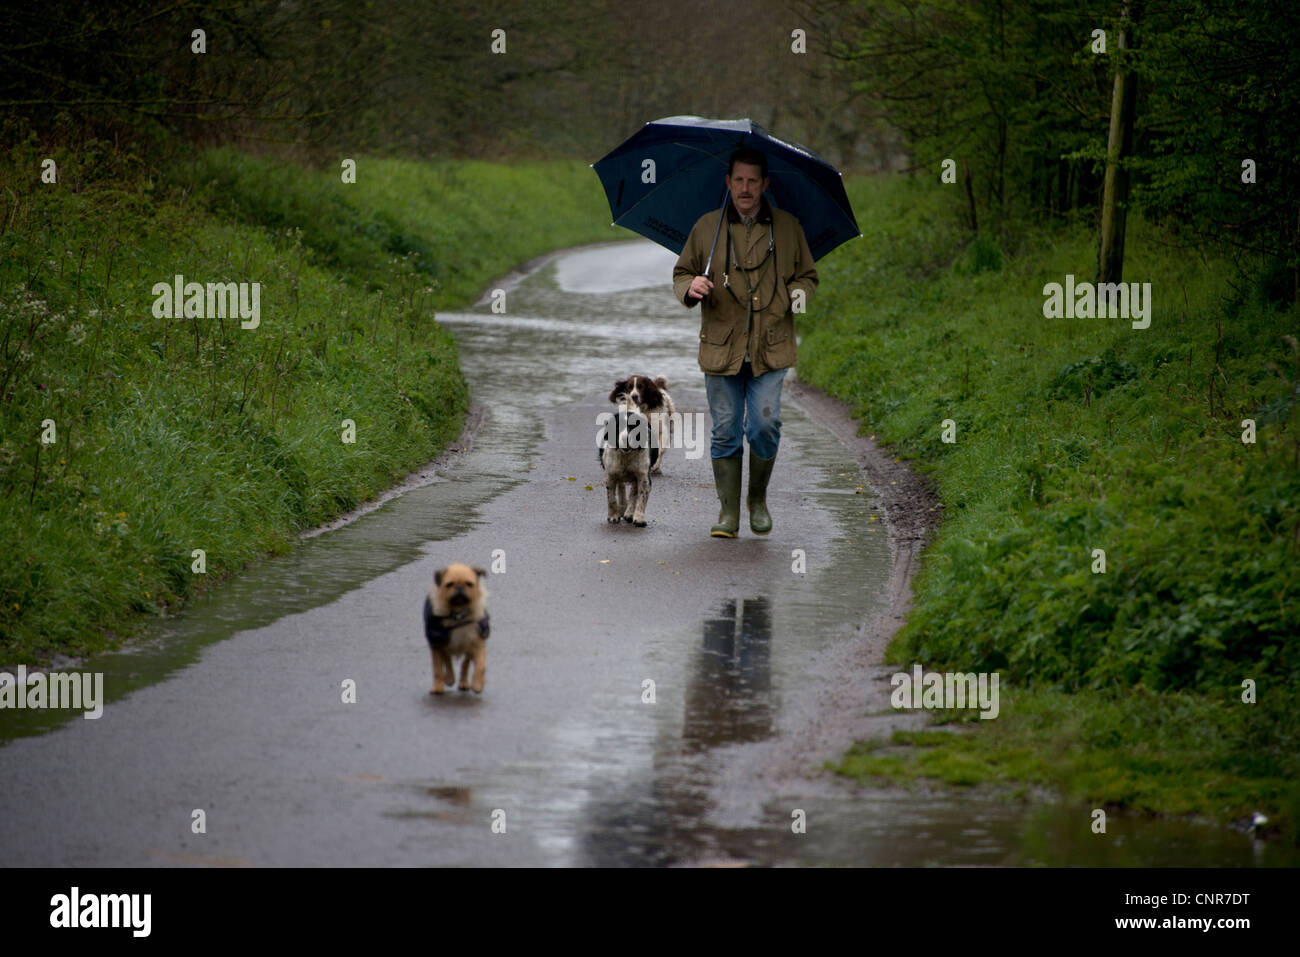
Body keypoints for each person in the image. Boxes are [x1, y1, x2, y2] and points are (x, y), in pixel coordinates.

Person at [672, 146, 818, 537]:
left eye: (753, 180)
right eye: (738, 180)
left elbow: (808, 276)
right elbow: (681, 273)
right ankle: (728, 515)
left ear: (765, 183)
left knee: (765, 425)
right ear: (728, 182)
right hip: (722, 347)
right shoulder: (707, 227)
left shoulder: (788, 227)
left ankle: (758, 501)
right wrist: (692, 287)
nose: (746, 188)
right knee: (724, 430)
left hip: (771, 347)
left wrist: (797, 295)